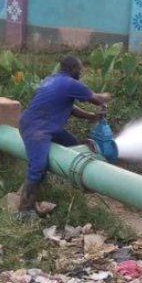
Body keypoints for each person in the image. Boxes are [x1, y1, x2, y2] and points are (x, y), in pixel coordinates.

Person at [18, 55, 111, 216]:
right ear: (73, 69)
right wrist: (108, 96)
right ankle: (25, 209)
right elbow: (97, 98)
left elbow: (70, 108)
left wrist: (91, 116)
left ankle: (67, 184)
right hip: (38, 128)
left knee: (72, 145)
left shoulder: (52, 79)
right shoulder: (70, 83)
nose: (81, 73)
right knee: (37, 166)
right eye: (80, 70)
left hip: (44, 125)